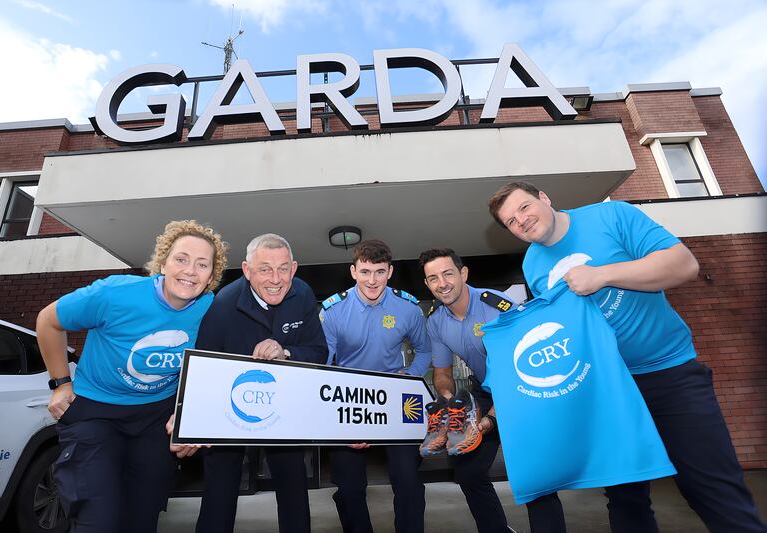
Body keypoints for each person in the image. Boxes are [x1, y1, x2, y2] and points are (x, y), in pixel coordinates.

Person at [489, 181, 767, 533]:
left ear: (544, 197)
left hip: (670, 373)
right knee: (626, 500)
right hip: (610, 388)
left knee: (713, 489)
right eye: (511, 222)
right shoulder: (533, 264)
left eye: (524, 207)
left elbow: (684, 265)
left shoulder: (612, 215)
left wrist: (603, 275)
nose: (522, 221)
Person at [36, 220, 228, 533]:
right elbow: (48, 321)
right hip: (96, 413)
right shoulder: (115, 293)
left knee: (142, 518)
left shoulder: (211, 309)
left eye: (202, 264)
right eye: (181, 259)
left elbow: (214, 368)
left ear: (211, 275)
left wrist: (190, 416)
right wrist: (60, 384)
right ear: (163, 263)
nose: (190, 271)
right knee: (99, 520)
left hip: (155, 419)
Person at [418, 248, 566, 533]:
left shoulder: (498, 306)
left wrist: (487, 422)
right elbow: (443, 373)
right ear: (427, 284)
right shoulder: (435, 321)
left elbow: (520, 368)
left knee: (534, 476)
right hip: (484, 391)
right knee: (469, 474)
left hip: (522, 388)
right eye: (433, 278)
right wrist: (449, 403)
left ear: (463, 273)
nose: (442, 283)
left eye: (448, 274)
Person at [194, 233, 328, 533]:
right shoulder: (223, 304)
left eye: (283, 269)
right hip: (229, 406)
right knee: (219, 489)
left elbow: (319, 352)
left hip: (281, 408)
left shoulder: (303, 294)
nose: (275, 279)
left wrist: (286, 352)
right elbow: (203, 366)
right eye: (265, 269)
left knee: (294, 486)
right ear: (247, 270)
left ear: (294, 268)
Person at [320, 239, 431, 533]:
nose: (372, 280)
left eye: (380, 272)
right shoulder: (333, 310)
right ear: (353, 271)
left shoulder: (407, 308)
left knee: (409, 482)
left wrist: (410, 375)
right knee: (349, 488)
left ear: (390, 272)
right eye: (366, 272)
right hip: (348, 402)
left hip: (394, 401)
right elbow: (324, 366)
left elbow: (424, 351)